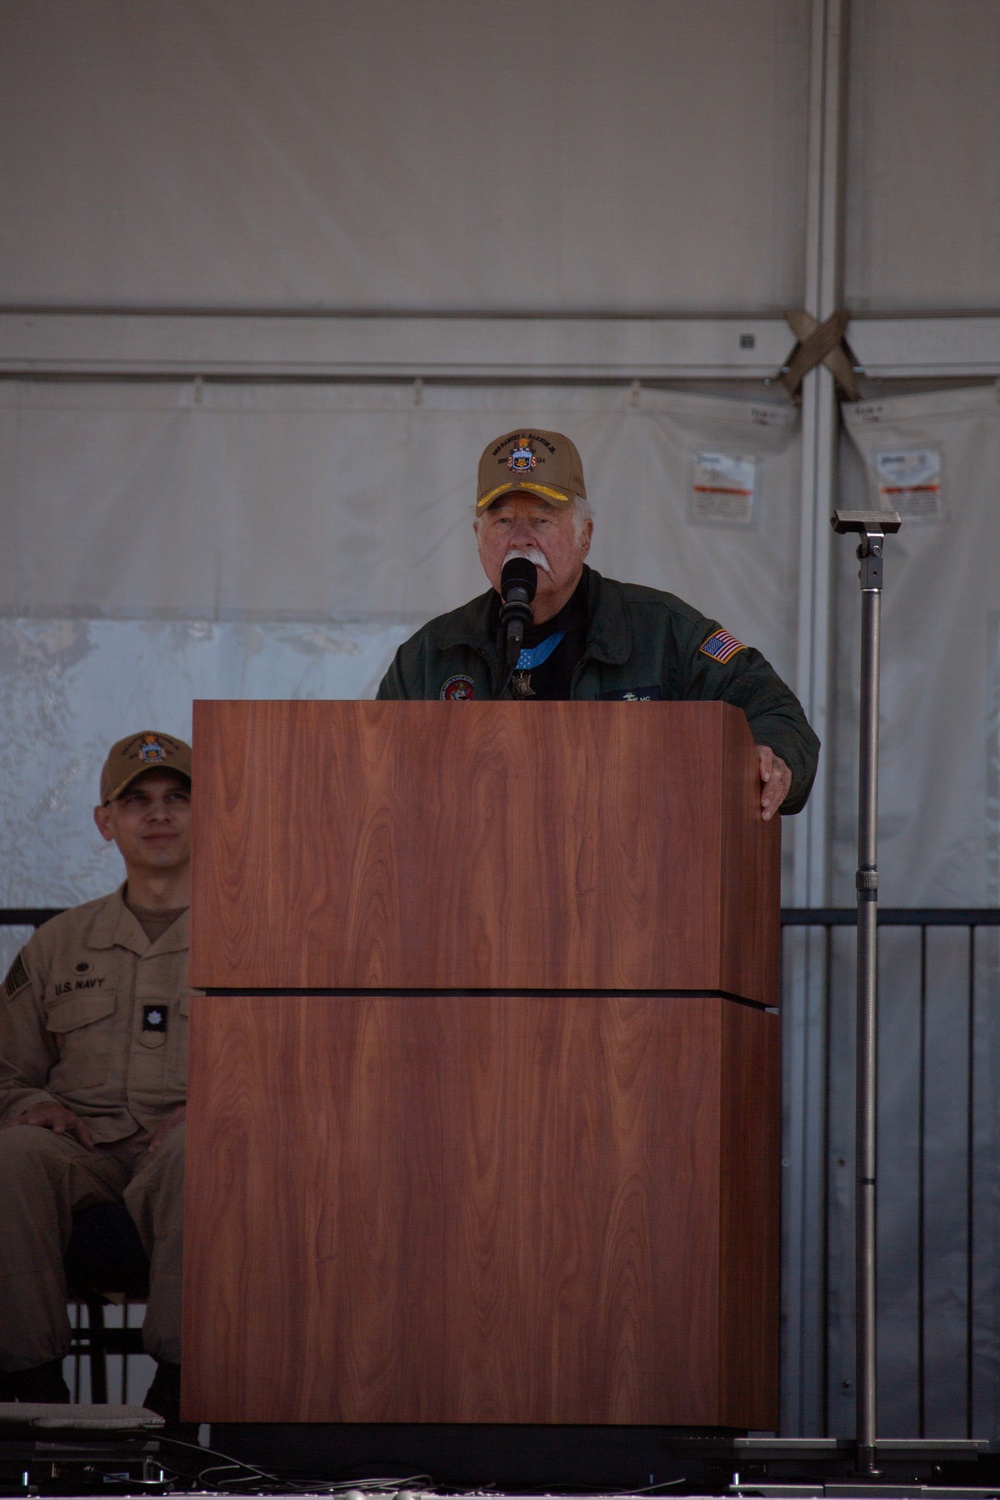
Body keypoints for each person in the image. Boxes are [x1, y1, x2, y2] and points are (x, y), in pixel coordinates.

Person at [378, 428, 819, 816]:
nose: (520, 539)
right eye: (503, 520)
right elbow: (378, 771)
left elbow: (775, 710)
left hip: (624, 871)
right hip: (480, 877)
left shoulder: (661, 630)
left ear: (585, 536)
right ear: (478, 538)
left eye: (541, 520)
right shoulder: (431, 654)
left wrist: (774, 757)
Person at [0, 731, 192, 1417]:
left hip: (182, 1149)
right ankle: (31, 1391)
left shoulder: (254, 937)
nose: (159, 814)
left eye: (177, 797)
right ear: (105, 822)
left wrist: (220, 1109)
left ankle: (181, 1393)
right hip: (82, 1152)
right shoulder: (58, 943)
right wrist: (31, 1104)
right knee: (14, 1154)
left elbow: (293, 1068)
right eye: (136, 801)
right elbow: (6, 1069)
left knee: (205, 1152)